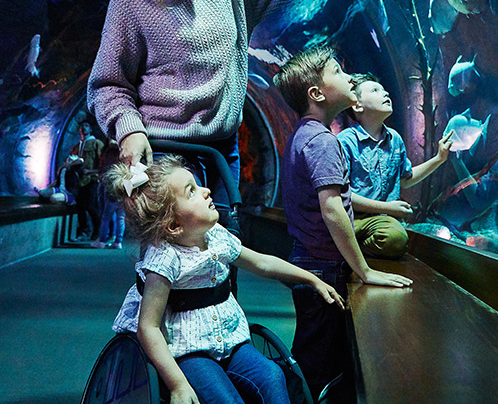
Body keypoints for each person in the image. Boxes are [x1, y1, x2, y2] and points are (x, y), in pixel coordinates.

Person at [87, 0, 413, 227]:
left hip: (223, 150)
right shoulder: (131, 0)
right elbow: (108, 85)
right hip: (165, 152)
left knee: (226, 253)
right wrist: (129, 129)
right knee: (176, 264)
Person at [105, 154, 344, 404]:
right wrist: (177, 385)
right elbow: (148, 326)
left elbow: (262, 262)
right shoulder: (164, 259)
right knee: (225, 400)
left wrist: (311, 279)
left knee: (273, 376)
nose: (207, 191)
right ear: (174, 225)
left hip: (229, 340)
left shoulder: (217, 236)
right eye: (192, 192)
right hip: (188, 350)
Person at [273, 47, 413, 401]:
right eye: (338, 71)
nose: (350, 77)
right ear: (317, 94)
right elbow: (333, 209)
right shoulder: (323, 142)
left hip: (308, 259)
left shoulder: (302, 136)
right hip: (323, 268)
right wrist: (364, 271)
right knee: (321, 361)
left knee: (312, 349)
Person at [337, 73, 453, 259]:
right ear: (357, 106)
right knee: (394, 237)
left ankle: (349, 249)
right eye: (375, 90)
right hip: (352, 218)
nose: (385, 93)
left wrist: (439, 158)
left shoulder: (394, 139)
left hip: (382, 222)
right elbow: (342, 195)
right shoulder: (345, 141)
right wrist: (388, 207)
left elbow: (405, 179)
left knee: (395, 237)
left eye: (384, 90)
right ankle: (349, 249)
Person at [70, 120, 104, 241]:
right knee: (80, 207)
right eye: (81, 126)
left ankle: (97, 231)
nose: (84, 128)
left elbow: (102, 162)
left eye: (86, 126)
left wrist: (93, 172)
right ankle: (83, 231)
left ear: (90, 129)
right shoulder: (77, 146)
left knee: (91, 206)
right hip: (79, 181)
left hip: (92, 179)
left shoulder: (96, 143)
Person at [91, 138, 125, 249]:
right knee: (120, 217)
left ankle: (102, 241)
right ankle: (118, 241)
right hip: (123, 183)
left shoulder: (110, 151)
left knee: (106, 216)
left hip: (110, 183)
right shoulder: (124, 148)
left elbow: (104, 166)